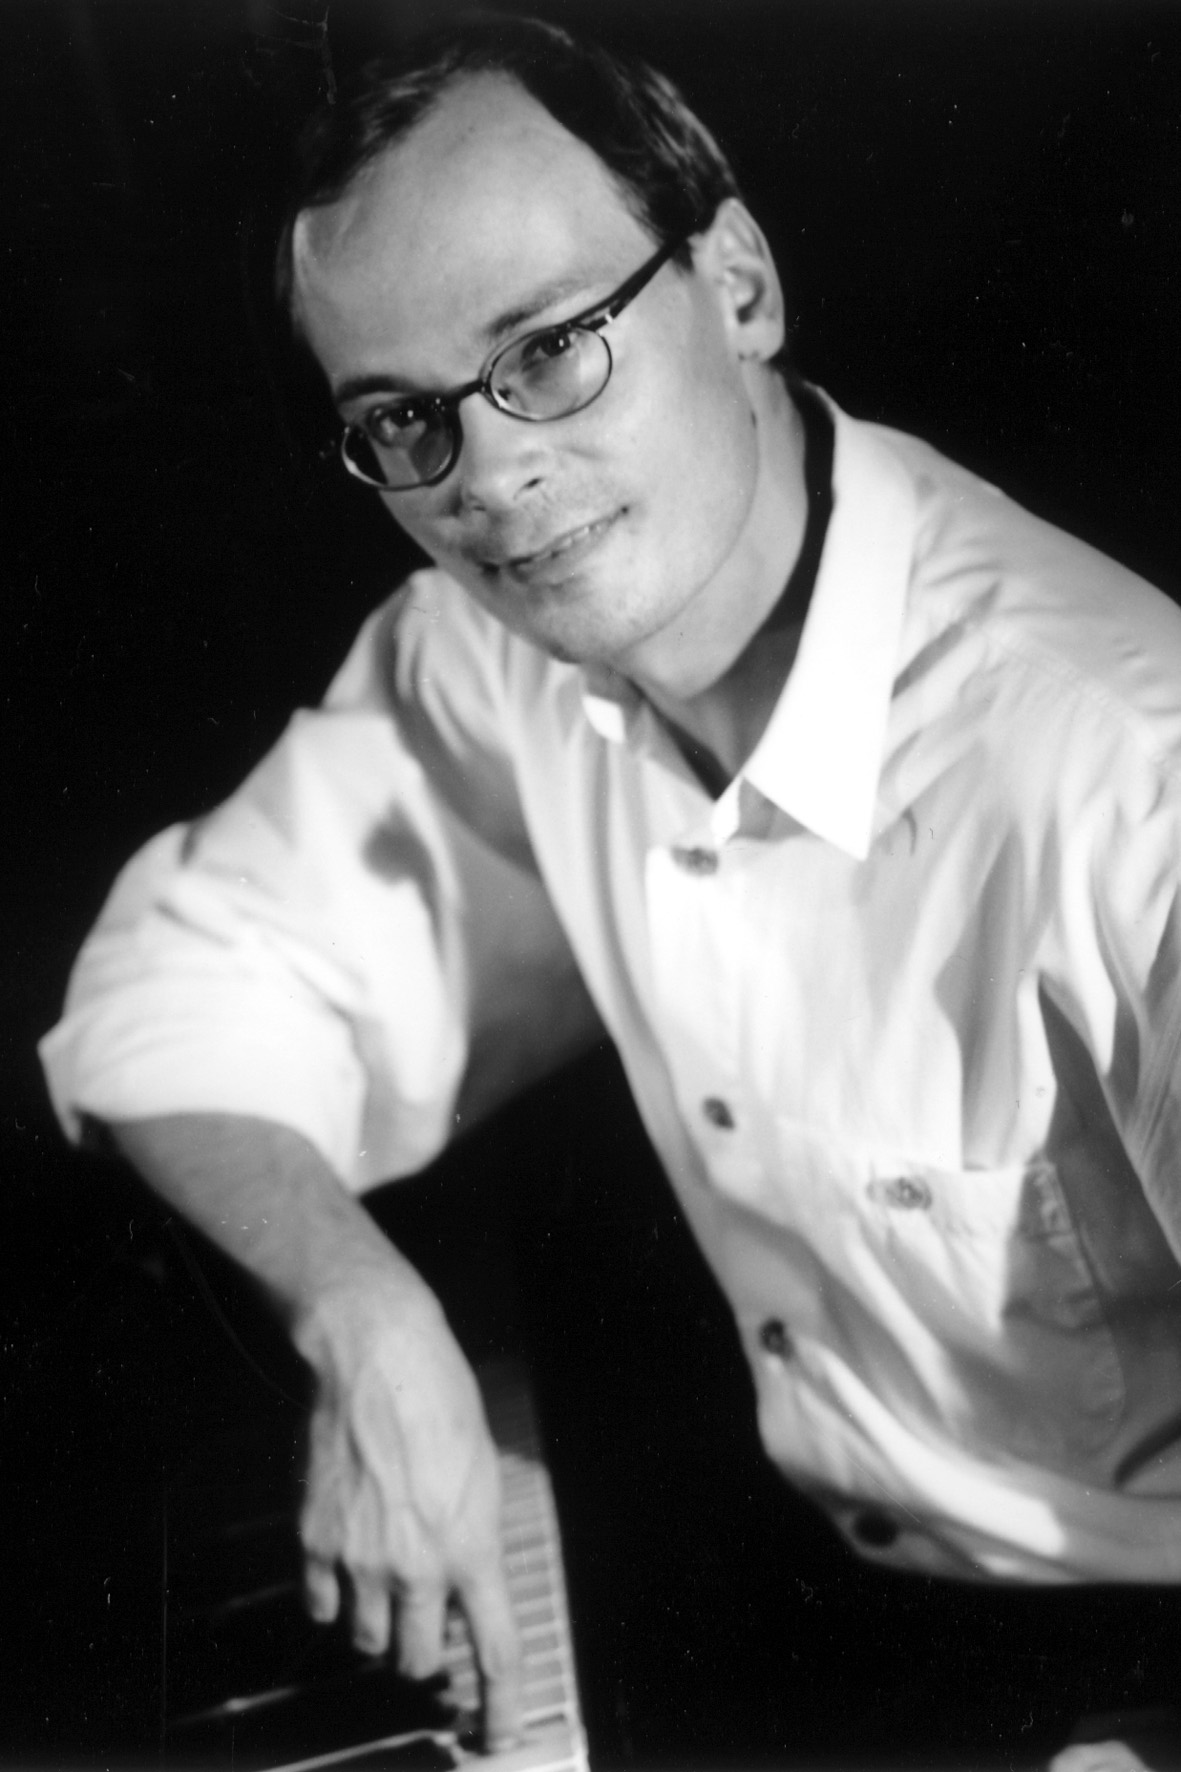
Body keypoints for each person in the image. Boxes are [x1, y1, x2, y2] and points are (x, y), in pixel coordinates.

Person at [39, 12, 1181, 1765]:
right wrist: (359, 1311)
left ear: (738, 286)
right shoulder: (495, 652)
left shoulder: (1131, 780)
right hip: (815, 1585)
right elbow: (171, 996)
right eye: (399, 419)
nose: (488, 478)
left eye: (550, 349)